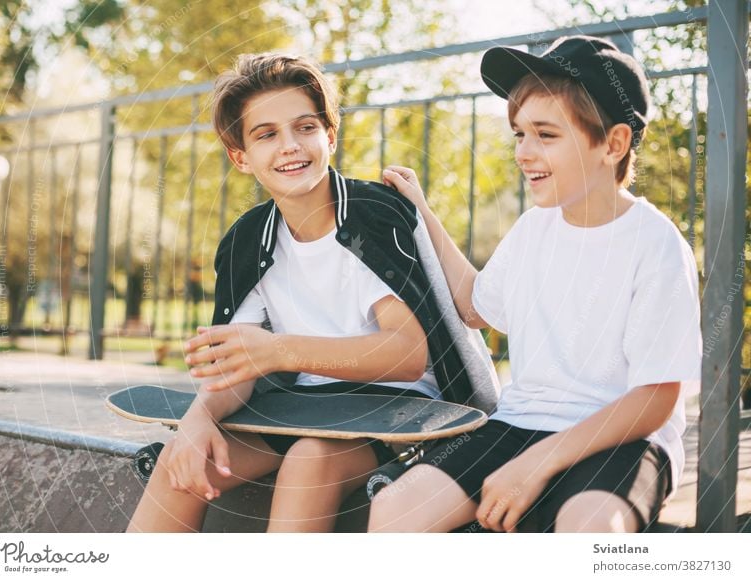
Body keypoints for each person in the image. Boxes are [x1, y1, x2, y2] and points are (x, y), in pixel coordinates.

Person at [127, 53, 495, 533]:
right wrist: (198, 421)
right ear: (241, 157)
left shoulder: (371, 217)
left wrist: (277, 350)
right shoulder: (247, 240)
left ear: (330, 136)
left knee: (309, 461)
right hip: (305, 408)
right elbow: (239, 364)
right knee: (185, 462)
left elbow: (404, 355)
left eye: (304, 127)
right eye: (266, 134)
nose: (290, 146)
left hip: (399, 411)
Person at [369, 36, 702, 533]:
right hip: (519, 423)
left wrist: (536, 465)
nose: (524, 152)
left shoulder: (655, 243)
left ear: (613, 144)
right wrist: (421, 212)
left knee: (588, 529)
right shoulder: (532, 229)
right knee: (394, 511)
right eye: (519, 134)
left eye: (546, 135)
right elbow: (477, 307)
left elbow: (654, 400)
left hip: (624, 437)